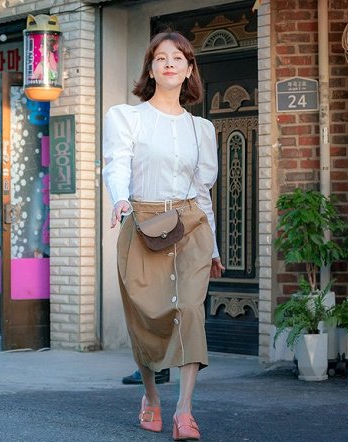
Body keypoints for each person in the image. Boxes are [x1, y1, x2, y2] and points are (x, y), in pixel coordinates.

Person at [102, 31, 225, 440]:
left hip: (190, 226)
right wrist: (120, 200)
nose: (169, 63)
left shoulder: (202, 129)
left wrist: (214, 249)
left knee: (190, 310)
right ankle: (151, 395)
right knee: (147, 317)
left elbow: (203, 192)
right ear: (151, 69)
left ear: (189, 69)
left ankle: (184, 411)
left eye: (178, 57)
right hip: (143, 222)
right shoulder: (126, 117)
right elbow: (116, 163)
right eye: (160, 58)